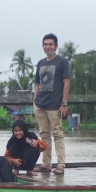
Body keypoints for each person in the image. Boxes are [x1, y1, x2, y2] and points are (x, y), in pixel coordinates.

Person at [33, 33, 71, 175]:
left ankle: (61, 164)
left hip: (55, 105)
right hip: (40, 104)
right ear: (43, 46)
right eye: (45, 44)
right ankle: (46, 164)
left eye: (51, 44)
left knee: (57, 134)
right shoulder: (41, 63)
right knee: (44, 135)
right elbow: (37, 83)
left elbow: (66, 83)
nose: (48, 46)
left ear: (56, 46)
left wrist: (64, 103)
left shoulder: (63, 62)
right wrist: (34, 101)